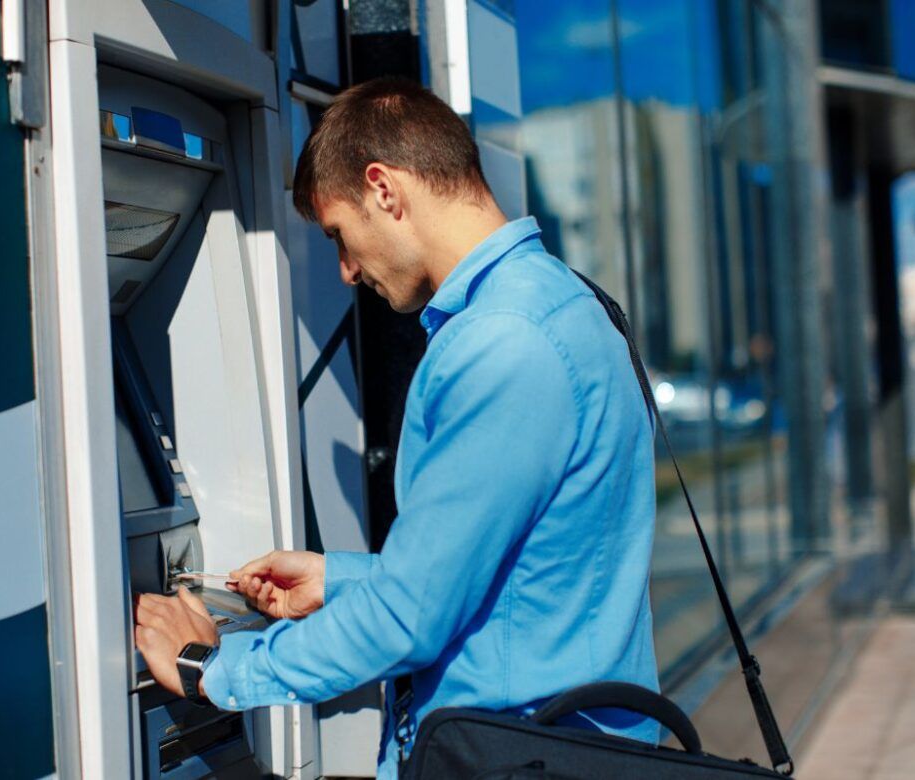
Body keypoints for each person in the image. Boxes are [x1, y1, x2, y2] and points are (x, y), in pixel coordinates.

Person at [133, 76, 659, 778]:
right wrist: (345, 580)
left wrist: (214, 667)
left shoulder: (502, 343)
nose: (347, 271)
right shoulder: (568, 305)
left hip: (516, 758)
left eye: (339, 237)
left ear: (384, 189)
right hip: (561, 750)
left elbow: (413, 618)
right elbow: (524, 573)